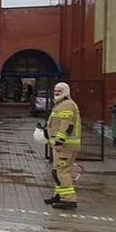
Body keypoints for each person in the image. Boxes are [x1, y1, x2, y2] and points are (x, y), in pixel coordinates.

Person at [44, 81, 82, 209]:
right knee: (57, 171)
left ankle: (69, 199)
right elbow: (56, 124)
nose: (56, 93)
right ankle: (59, 195)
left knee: (62, 172)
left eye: (59, 91)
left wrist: (59, 141)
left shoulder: (67, 105)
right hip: (61, 145)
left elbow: (67, 125)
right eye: (55, 91)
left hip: (65, 146)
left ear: (66, 92)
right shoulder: (61, 105)